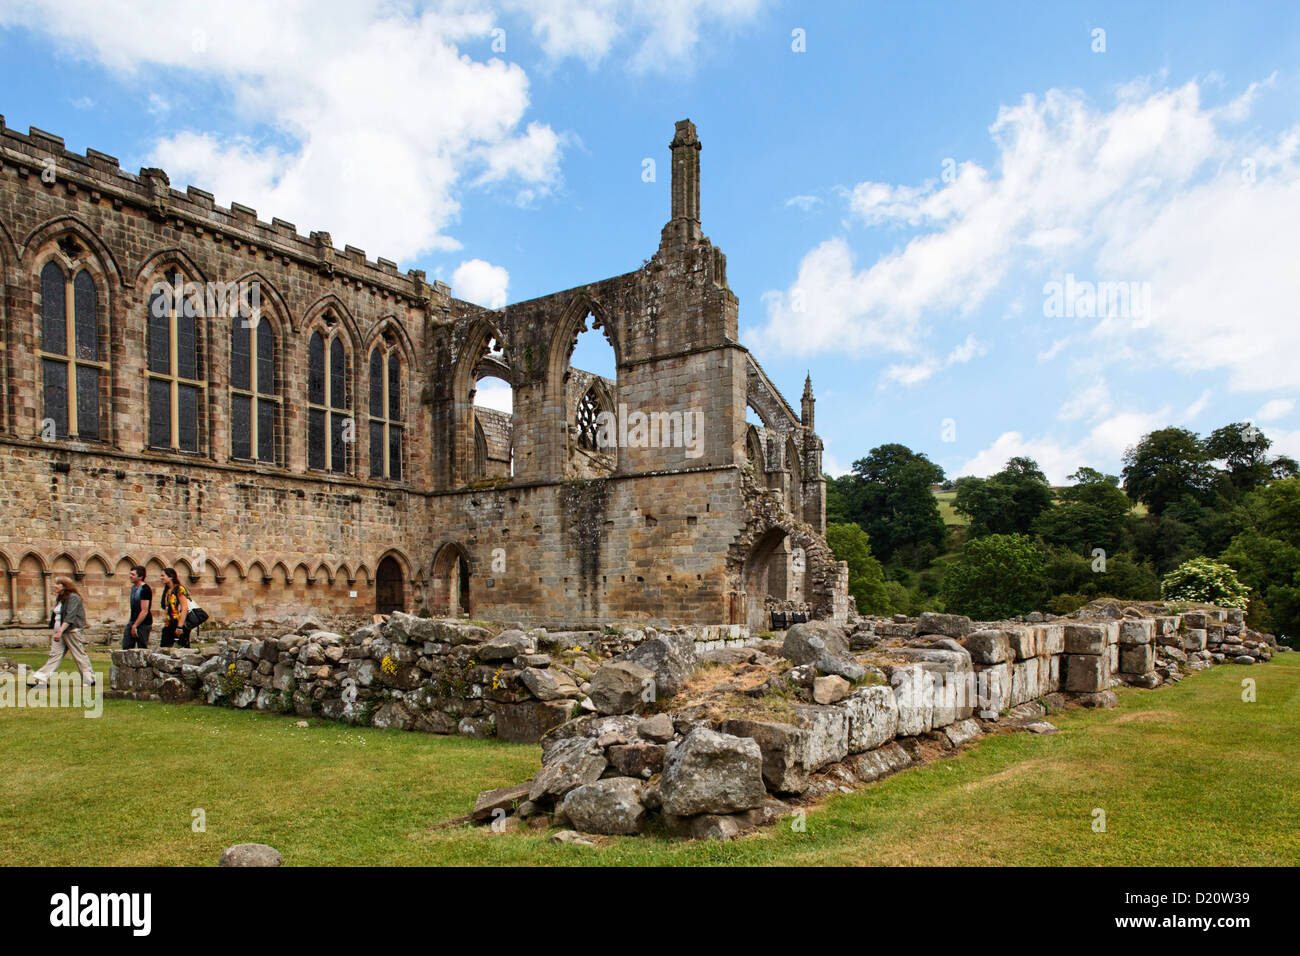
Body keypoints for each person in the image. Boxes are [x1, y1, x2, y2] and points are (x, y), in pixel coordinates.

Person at [28, 577, 96, 688]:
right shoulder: (61, 598)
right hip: (59, 630)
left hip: (70, 630)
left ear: (65, 586)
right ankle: (42, 678)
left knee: (78, 654)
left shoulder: (73, 597)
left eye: (58, 584)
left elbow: (70, 616)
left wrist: (60, 631)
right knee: (55, 655)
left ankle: (89, 679)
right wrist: (56, 630)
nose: (55, 586)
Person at [159, 567, 192, 648]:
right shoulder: (168, 591)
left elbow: (184, 608)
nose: (161, 578)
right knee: (164, 649)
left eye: (163, 576)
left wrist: (180, 627)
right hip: (169, 624)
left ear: (171, 577)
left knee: (183, 649)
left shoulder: (179, 589)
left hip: (179, 623)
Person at [123, 565, 153, 649]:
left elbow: (144, 610)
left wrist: (135, 625)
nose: (130, 576)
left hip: (143, 623)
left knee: (142, 648)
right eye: (130, 574)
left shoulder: (145, 589)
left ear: (140, 577)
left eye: (133, 574)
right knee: (126, 646)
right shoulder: (133, 588)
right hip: (133, 621)